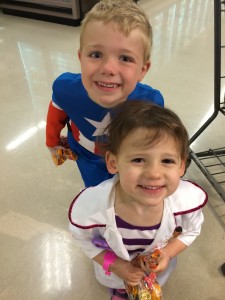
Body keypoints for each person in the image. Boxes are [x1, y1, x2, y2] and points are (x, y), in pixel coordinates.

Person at [68, 101, 208, 300]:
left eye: (167, 161)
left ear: (181, 167)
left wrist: (168, 253)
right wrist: (117, 265)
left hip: (155, 272)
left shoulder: (185, 204)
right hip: (114, 271)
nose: (153, 173)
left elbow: (191, 230)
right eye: (138, 160)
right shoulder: (93, 207)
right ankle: (120, 290)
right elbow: (83, 238)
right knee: (121, 283)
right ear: (113, 162)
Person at [46, 0, 164, 188]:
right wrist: (51, 141)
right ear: (80, 57)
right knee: (96, 191)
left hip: (128, 159)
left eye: (125, 58)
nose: (108, 68)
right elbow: (57, 110)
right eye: (96, 55)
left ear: (143, 69)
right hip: (86, 155)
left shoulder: (150, 103)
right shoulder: (65, 88)